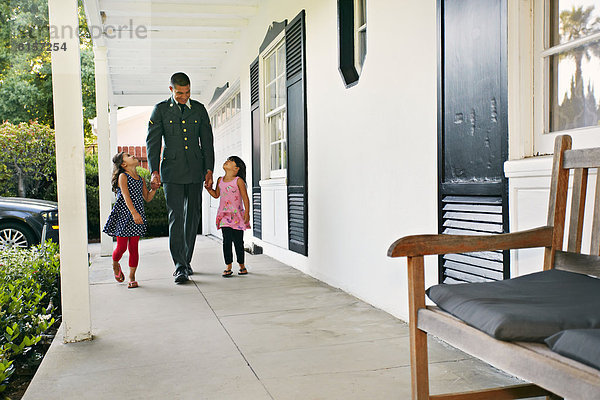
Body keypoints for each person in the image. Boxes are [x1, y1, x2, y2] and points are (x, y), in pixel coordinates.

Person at [146, 72, 215, 283]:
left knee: (192, 217)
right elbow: (153, 143)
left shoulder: (200, 110)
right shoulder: (161, 110)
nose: (184, 96)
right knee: (176, 217)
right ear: (171, 90)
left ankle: (186, 260)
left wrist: (209, 170)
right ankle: (179, 266)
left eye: (187, 92)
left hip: (195, 171)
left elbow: (207, 143)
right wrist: (154, 171)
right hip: (172, 172)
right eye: (179, 93)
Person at [103, 152, 156, 288]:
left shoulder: (141, 179)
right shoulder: (123, 176)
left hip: (136, 216)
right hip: (124, 215)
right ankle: (115, 263)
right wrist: (134, 213)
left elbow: (148, 198)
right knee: (121, 247)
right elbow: (126, 196)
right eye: (128, 155)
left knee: (134, 247)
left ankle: (132, 276)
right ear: (124, 164)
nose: (132, 156)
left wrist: (154, 189)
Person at [205, 156, 251, 277]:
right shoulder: (220, 180)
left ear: (236, 168)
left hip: (237, 217)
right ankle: (228, 266)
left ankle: (242, 266)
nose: (227, 161)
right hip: (224, 216)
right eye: (227, 160)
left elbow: (245, 198)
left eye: (231, 161)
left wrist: (247, 213)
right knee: (226, 241)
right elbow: (216, 195)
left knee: (238, 242)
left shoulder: (238, 181)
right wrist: (209, 189)